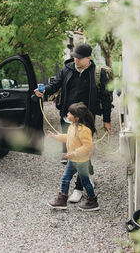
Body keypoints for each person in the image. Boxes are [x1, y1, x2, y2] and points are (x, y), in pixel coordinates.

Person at [34, 43, 113, 203]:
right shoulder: (67, 69)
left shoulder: (97, 73)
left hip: (86, 120)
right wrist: (44, 91)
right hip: (67, 117)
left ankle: (78, 188)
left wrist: (107, 119)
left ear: (88, 58)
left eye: (79, 58)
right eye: (74, 57)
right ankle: (87, 175)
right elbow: (55, 84)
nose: (75, 60)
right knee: (72, 149)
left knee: (81, 151)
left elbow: (105, 97)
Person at [47, 102, 99, 211]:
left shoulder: (84, 130)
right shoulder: (72, 126)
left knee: (85, 182)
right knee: (65, 178)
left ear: (76, 117)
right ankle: (62, 200)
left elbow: (87, 146)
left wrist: (75, 153)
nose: (67, 114)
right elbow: (68, 137)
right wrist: (55, 137)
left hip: (81, 161)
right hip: (72, 160)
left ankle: (92, 201)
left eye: (69, 113)